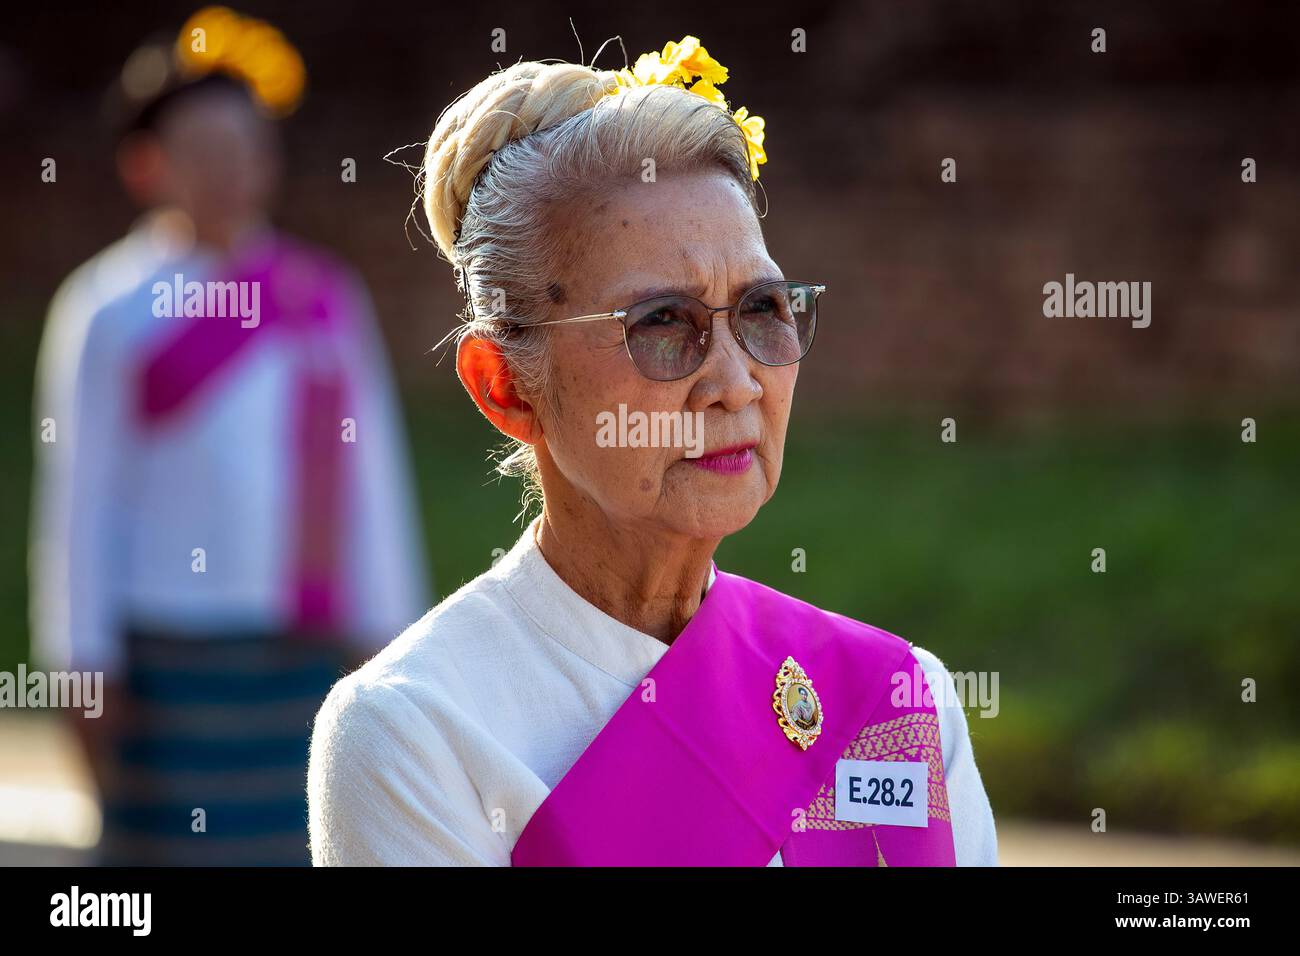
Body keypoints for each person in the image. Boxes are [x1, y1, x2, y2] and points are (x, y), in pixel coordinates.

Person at [308, 37, 996, 866]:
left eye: (762, 308)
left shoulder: (890, 697)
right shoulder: (418, 732)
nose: (736, 383)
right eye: (663, 323)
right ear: (507, 387)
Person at [30, 10, 431, 865]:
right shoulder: (107, 308)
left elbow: (372, 480)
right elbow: (80, 495)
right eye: (202, 148)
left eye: (246, 146)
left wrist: (389, 633)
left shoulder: (322, 297)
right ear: (149, 166)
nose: (229, 169)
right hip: (164, 655)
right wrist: (81, 659)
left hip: (301, 656)